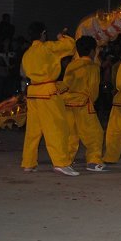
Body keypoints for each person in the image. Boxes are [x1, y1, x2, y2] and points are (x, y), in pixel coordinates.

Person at [20, 21, 78, 176]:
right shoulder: (48, 48)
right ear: (43, 34)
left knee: (33, 131)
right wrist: (62, 37)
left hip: (32, 92)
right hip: (47, 92)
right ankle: (61, 163)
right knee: (56, 128)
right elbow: (71, 47)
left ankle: (28, 162)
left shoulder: (27, 53)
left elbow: (23, 73)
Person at [62, 35, 108, 172]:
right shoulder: (92, 67)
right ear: (93, 51)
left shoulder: (71, 64)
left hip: (68, 103)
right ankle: (93, 161)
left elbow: (66, 84)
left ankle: (65, 162)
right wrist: (91, 101)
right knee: (95, 133)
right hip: (83, 103)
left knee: (71, 134)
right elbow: (93, 90)